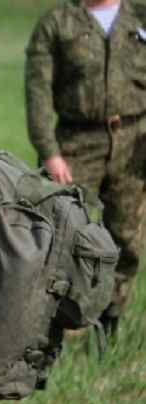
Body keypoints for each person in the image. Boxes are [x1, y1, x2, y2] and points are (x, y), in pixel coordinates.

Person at [25, 0, 146, 335]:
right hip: (75, 144)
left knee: (126, 238)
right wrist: (49, 152)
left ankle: (109, 325)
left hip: (135, 140)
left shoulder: (140, 16)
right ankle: (52, 328)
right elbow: (37, 94)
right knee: (61, 237)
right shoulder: (57, 23)